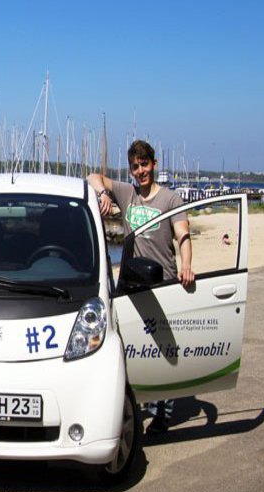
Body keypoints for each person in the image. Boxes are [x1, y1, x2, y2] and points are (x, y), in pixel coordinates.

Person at [87, 139, 194, 434]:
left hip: (163, 284)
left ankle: (164, 413)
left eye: (144, 164)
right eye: (135, 167)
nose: (140, 171)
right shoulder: (127, 193)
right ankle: (142, 404)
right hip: (133, 286)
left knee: (165, 351)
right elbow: (93, 177)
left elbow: (183, 235)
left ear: (154, 164)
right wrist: (103, 194)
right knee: (136, 349)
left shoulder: (171, 200)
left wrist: (186, 265)